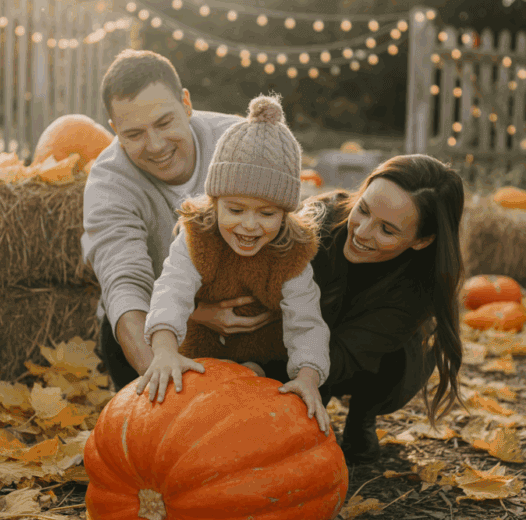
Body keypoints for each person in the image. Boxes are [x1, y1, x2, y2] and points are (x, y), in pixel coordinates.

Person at [232, 154, 465, 466]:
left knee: (403, 355)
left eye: (387, 230)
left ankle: (362, 415)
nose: (362, 232)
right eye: (364, 210)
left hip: (352, 353)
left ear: (421, 241)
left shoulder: (418, 287)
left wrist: (303, 377)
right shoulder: (313, 225)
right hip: (283, 334)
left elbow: (343, 355)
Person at [82, 49, 278, 390]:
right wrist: (165, 378)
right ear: (114, 130)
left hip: (249, 314)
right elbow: (125, 285)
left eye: (164, 122)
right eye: (134, 134)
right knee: (119, 318)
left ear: (186, 103)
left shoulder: (241, 145)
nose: (155, 145)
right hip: (162, 325)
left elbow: (287, 238)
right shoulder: (108, 183)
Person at [137, 93, 332, 436]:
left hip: (264, 356)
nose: (249, 225)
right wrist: (165, 349)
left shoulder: (292, 251)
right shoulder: (197, 234)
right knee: (183, 423)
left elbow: (307, 322)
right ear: (215, 202)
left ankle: (256, 378)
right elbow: (172, 288)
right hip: (202, 355)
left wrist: (307, 377)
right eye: (236, 209)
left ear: (285, 213)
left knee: (254, 424)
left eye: (267, 213)